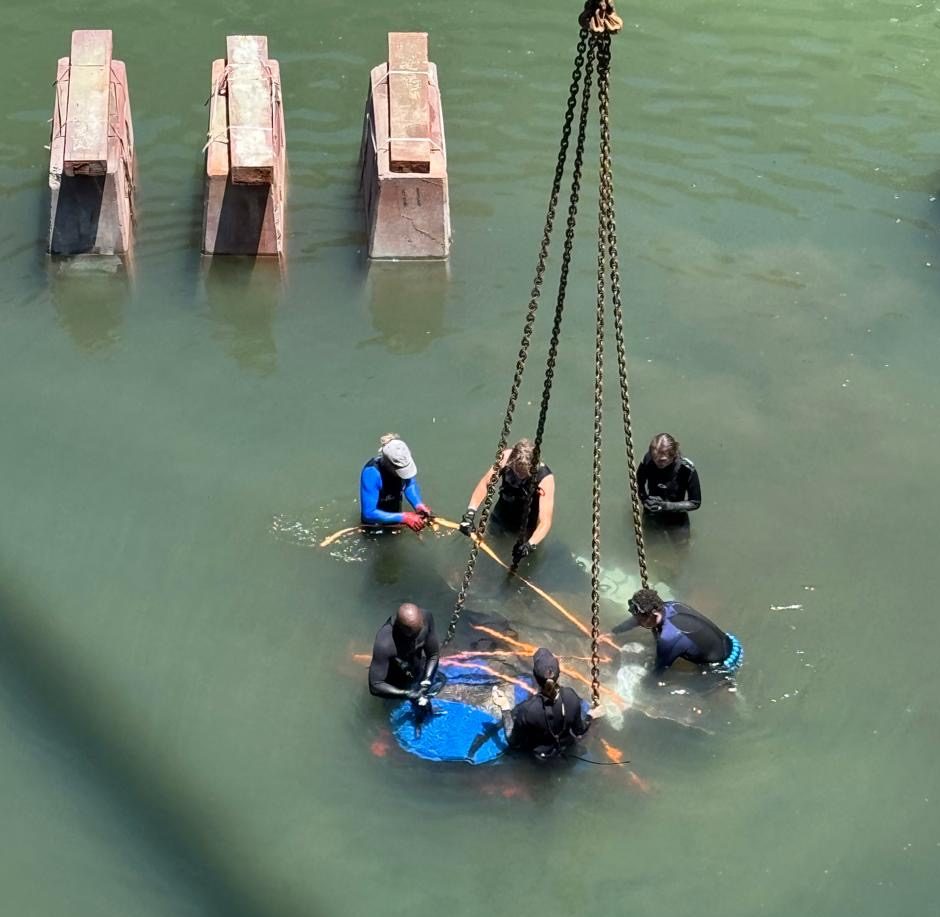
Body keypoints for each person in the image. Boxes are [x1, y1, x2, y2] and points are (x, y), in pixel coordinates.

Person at [460, 438, 555, 565]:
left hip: (525, 526)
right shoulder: (506, 458)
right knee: (487, 549)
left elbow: (545, 521)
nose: (520, 475)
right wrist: (470, 513)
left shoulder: (545, 478)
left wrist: (529, 545)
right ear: (513, 461)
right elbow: (485, 483)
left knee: (522, 559)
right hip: (501, 515)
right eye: (517, 470)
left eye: (524, 472)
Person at [612, 588, 743, 674]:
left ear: (654, 614)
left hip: (723, 665)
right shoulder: (671, 605)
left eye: (640, 618)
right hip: (730, 643)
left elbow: (659, 670)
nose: (637, 621)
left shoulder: (669, 638)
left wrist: (644, 687)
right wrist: (615, 631)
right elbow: (639, 620)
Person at [502, 648, 600, 760]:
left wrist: (504, 709)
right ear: (559, 673)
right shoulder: (571, 696)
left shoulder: (527, 710)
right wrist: (590, 716)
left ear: (535, 676)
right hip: (568, 750)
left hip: (541, 760)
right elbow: (579, 731)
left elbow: (514, 742)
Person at [368, 604, 444, 706]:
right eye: (412, 636)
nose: (416, 639)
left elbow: (433, 655)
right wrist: (407, 694)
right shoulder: (385, 643)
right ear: (400, 629)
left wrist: (426, 682)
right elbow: (375, 685)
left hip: (416, 667)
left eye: (419, 632)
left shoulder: (427, 617)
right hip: (394, 680)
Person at [360, 434, 433, 531]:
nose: (404, 473)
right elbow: (368, 514)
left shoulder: (403, 460)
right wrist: (404, 517)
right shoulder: (371, 474)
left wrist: (418, 504)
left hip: (397, 518)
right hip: (375, 525)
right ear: (388, 463)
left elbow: (410, 484)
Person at [636, 433, 701, 525]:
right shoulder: (648, 459)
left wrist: (665, 506)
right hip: (652, 512)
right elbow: (639, 483)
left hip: (677, 516)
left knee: (680, 535)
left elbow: (695, 503)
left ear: (673, 455)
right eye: (654, 457)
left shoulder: (686, 469)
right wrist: (644, 499)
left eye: (662, 460)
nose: (656, 462)